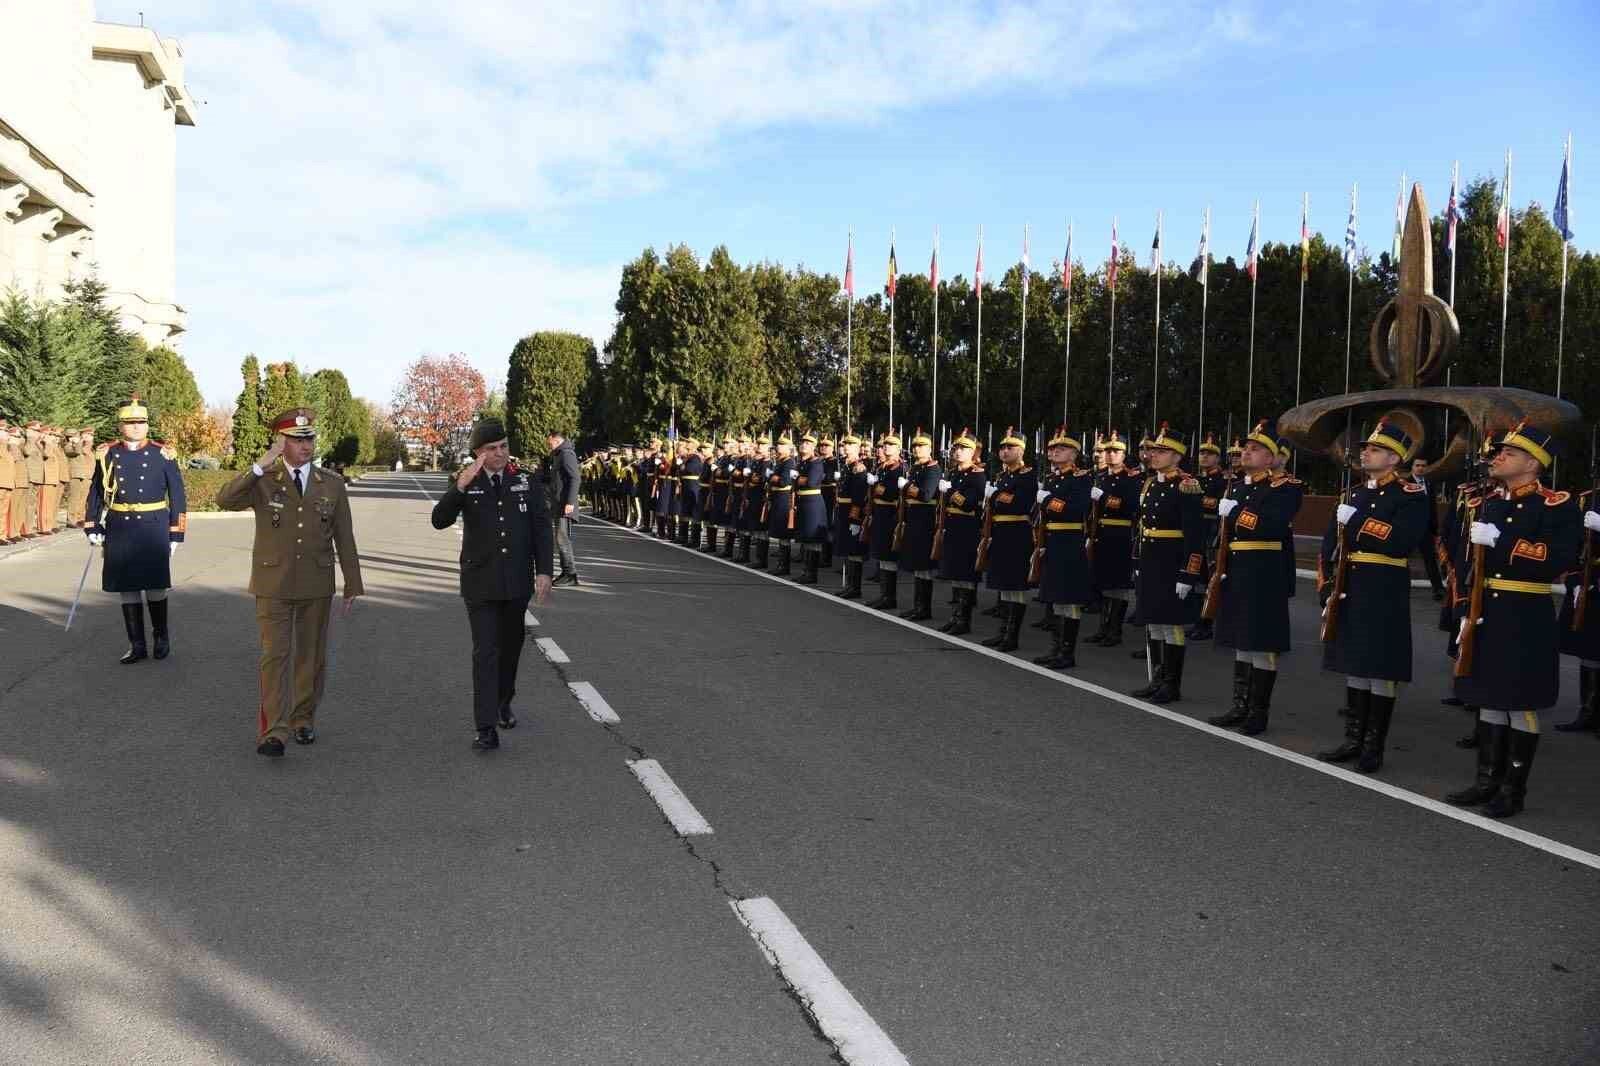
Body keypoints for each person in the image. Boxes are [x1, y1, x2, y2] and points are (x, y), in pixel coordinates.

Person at [1446, 424, 1581, 817]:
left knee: (1520, 702)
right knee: (1488, 698)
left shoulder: (1555, 505)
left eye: (1508, 453)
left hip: (1525, 614)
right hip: (1487, 610)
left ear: (1532, 464)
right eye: (1498, 452)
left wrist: (1501, 541)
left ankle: (1512, 790)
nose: (1497, 457)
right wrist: (1464, 612)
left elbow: (1557, 559)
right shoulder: (1491, 503)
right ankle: (1487, 779)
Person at [217, 407, 365, 757]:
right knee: (274, 656)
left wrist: (353, 583)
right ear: (281, 442)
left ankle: (302, 720)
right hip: (273, 582)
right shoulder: (263, 480)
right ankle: (273, 730)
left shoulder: (331, 483)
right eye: (297, 440)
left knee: (310, 658)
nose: (306, 445)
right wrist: (259, 464)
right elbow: (225, 499)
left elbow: (345, 536)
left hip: (316, 581)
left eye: (309, 438)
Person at [1315, 420, 1431, 773]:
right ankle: (1353, 738)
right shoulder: (1353, 493)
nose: (1365, 452)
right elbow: (1330, 544)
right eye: (1366, 448)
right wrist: (1326, 584)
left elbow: (1403, 540)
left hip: (1383, 584)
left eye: (1375, 449)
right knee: (1354, 663)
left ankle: (1373, 746)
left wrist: (1360, 523)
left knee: (1379, 665)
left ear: (1395, 459)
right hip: (1350, 582)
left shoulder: (1409, 495)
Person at [431, 418, 554, 750]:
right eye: (491, 449)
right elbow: (439, 520)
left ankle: (503, 700)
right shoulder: (466, 481)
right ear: (478, 453)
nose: (500, 453)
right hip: (480, 582)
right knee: (485, 651)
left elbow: (542, 529)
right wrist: (459, 487)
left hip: (516, 582)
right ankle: (485, 727)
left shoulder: (526, 481)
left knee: (510, 649)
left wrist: (544, 570)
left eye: (503, 446)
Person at [1206, 421, 1303, 732]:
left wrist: (1233, 513)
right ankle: (1240, 704)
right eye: (1246, 448)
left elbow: (1272, 524)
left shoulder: (1287, 487)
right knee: (1241, 639)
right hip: (1236, 568)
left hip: (1264, 571)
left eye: (1256, 448)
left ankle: (1258, 712)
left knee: (1261, 642)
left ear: (1272, 457)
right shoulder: (1238, 486)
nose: (1247, 452)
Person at [83, 396, 188, 663]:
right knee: (127, 587)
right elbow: (96, 491)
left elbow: (177, 494)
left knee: (155, 586)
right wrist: (92, 524)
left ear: (147, 424)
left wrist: (176, 532)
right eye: (130, 423)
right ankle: (136, 645)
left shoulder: (162, 453)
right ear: (121, 426)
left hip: (153, 527)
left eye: (141, 422)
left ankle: (161, 637)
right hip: (120, 526)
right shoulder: (108, 454)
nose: (136, 427)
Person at [1125, 425, 1205, 702]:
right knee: (1154, 622)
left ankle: (1171, 684)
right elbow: (1143, 526)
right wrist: (1137, 559)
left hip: (1172, 563)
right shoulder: (1150, 483)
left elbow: (1195, 536)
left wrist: (1188, 573)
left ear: (1178, 456)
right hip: (1150, 560)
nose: (1154, 455)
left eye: (1162, 451)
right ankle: (1157, 679)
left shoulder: (1186, 486)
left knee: (1171, 625)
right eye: (1153, 450)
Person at [1031, 428, 1093, 668]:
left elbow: (1076, 509)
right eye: (1053, 448)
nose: (1055, 451)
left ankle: (1067, 652)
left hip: (1069, 540)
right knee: (1056, 598)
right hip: (1053, 540)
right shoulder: (1052, 478)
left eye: (1062, 448)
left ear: (1075, 454)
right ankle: (1056, 648)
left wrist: (1047, 501)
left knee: (1069, 598)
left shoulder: (1081, 478)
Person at [979, 428, 1039, 652]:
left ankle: (1012, 636)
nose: (1004, 451)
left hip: (1017, 533)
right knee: (1004, 585)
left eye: (1010, 447)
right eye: (1002, 447)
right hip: (1001, 531)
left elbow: (1019, 504)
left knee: (1015, 585)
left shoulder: (1027, 475)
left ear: (1021, 450)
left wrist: (994, 495)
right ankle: (1003, 631)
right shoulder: (1002, 476)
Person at [1085, 432, 1140, 647]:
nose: (1109, 454)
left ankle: (1114, 630)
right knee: (1103, 582)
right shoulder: (1101, 477)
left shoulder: (1132, 478)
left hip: (1120, 535)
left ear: (1124, 454)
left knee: (1118, 585)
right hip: (1100, 534)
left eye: (1115, 451)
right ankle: (1103, 627)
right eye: (1107, 450)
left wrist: (1105, 498)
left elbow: (1131, 507)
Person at [1556, 482, 1600, 735]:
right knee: (1590, 650)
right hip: (1590, 582)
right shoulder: (1588, 500)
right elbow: (1575, 546)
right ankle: (1588, 712)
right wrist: (1574, 580)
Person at [935, 431, 987, 634]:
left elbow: (969, 504)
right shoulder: (954, 473)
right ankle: (956, 616)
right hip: (953, 525)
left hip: (967, 527)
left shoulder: (977, 475)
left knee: (965, 574)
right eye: (956, 448)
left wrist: (949, 493)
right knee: (955, 573)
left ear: (973, 452)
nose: (958, 451)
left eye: (963, 448)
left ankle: (964, 620)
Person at [896, 429, 944, 619]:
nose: (916, 449)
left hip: (925, 519)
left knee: (924, 565)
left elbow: (926, 494)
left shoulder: (932, 468)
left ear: (930, 448)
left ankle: (924, 609)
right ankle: (918, 607)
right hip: (914, 517)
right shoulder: (916, 468)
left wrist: (907, 486)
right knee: (917, 565)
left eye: (921, 446)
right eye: (915, 446)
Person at [865, 432, 905, 609]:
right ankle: (884, 595)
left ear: (898, 449)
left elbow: (891, 493)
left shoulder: (899, 468)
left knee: (888, 556)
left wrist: (876, 486)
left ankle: (890, 597)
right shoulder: (882, 467)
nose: (885, 447)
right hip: (879, 513)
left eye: (890, 445)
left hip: (890, 514)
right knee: (881, 555)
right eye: (884, 445)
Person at [833, 433, 870, 598]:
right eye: (844, 444)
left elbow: (858, 497)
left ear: (856, 448)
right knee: (848, 549)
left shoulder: (858, 468)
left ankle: (855, 588)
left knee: (854, 550)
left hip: (851, 512)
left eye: (849, 445)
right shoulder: (847, 466)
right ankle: (849, 585)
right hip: (842, 510)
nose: (845, 447)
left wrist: (855, 519)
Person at [791, 431, 829, 584]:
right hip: (803, 501)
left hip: (813, 502)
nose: (803, 445)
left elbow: (812, 482)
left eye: (807, 443)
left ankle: (811, 574)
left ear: (814, 447)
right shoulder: (802, 463)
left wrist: (798, 478)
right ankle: (806, 571)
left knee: (812, 538)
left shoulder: (816, 462)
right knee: (806, 538)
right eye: (802, 442)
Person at [543, 430, 580, 585]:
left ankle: (570, 574)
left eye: (549, 441)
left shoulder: (566, 454)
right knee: (560, 539)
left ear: (556, 440)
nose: (548, 444)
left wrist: (570, 502)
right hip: (559, 503)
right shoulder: (558, 455)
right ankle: (567, 572)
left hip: (565, 504)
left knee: (562, 539)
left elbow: (575, 478)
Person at [1408, 456, 1446, 600]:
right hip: (1408, 528)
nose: (1420, 468)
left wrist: (1435, 529)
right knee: (1401, 557)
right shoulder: (1404, 483)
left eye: (1423, 465)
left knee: (1430, 560)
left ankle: (1438, 589)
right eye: (1417, 465)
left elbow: (1432, 508)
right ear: (1412, 467)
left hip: (1425, 529)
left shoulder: (1429, 484)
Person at [66, 427, 95, 527]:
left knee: (83, 498)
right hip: (76, 474)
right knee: (75, 497)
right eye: (89, 435)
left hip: (86, 475)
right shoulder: (74, 444)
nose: (91, 437)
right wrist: (80, 441)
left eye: (91, 435)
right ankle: (71, 519)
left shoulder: (89, 448)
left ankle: (80, 518)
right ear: (82, 435)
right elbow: (77, 452)